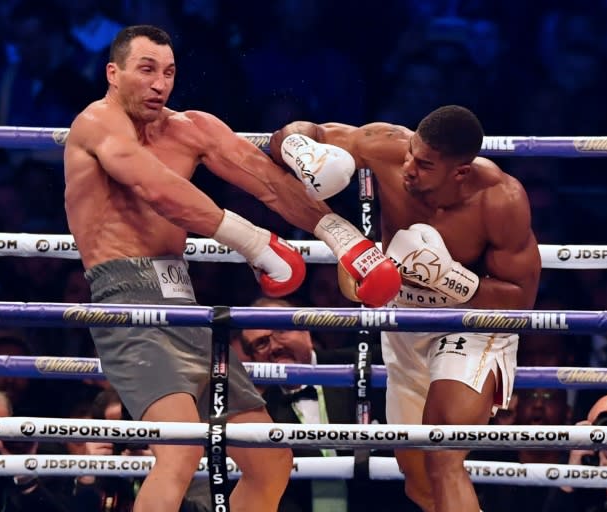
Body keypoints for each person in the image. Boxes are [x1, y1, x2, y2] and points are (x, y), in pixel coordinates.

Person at [63, 25, 401, 512]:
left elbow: (268, 182)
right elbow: (156, 188)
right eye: (147, 70)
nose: (160, 83)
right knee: (179, 453)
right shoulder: (96, 124)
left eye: (170, 72)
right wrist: (255, 242)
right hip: (127, 299)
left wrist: (341, 236)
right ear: (113, 74)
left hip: (185, 301)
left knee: (271, 460)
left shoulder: (192, 128)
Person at [270, 104, 542, 512]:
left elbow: (521, 297)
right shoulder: (386, 147)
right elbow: (291, 133)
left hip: (469, 325)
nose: (409, 168)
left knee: (443, 454)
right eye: (412, 152)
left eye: (426, 164)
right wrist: (302, 148)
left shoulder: (500, 199)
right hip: (404, 325)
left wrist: (451, 278)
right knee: (419, 482)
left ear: (460, 172)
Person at [236, 297, 416, 512]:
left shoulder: (366, 365)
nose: (274, 346)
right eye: (261, 343)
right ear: (252, 358)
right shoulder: (262, 414)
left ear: (306, 331)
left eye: (280, 331)